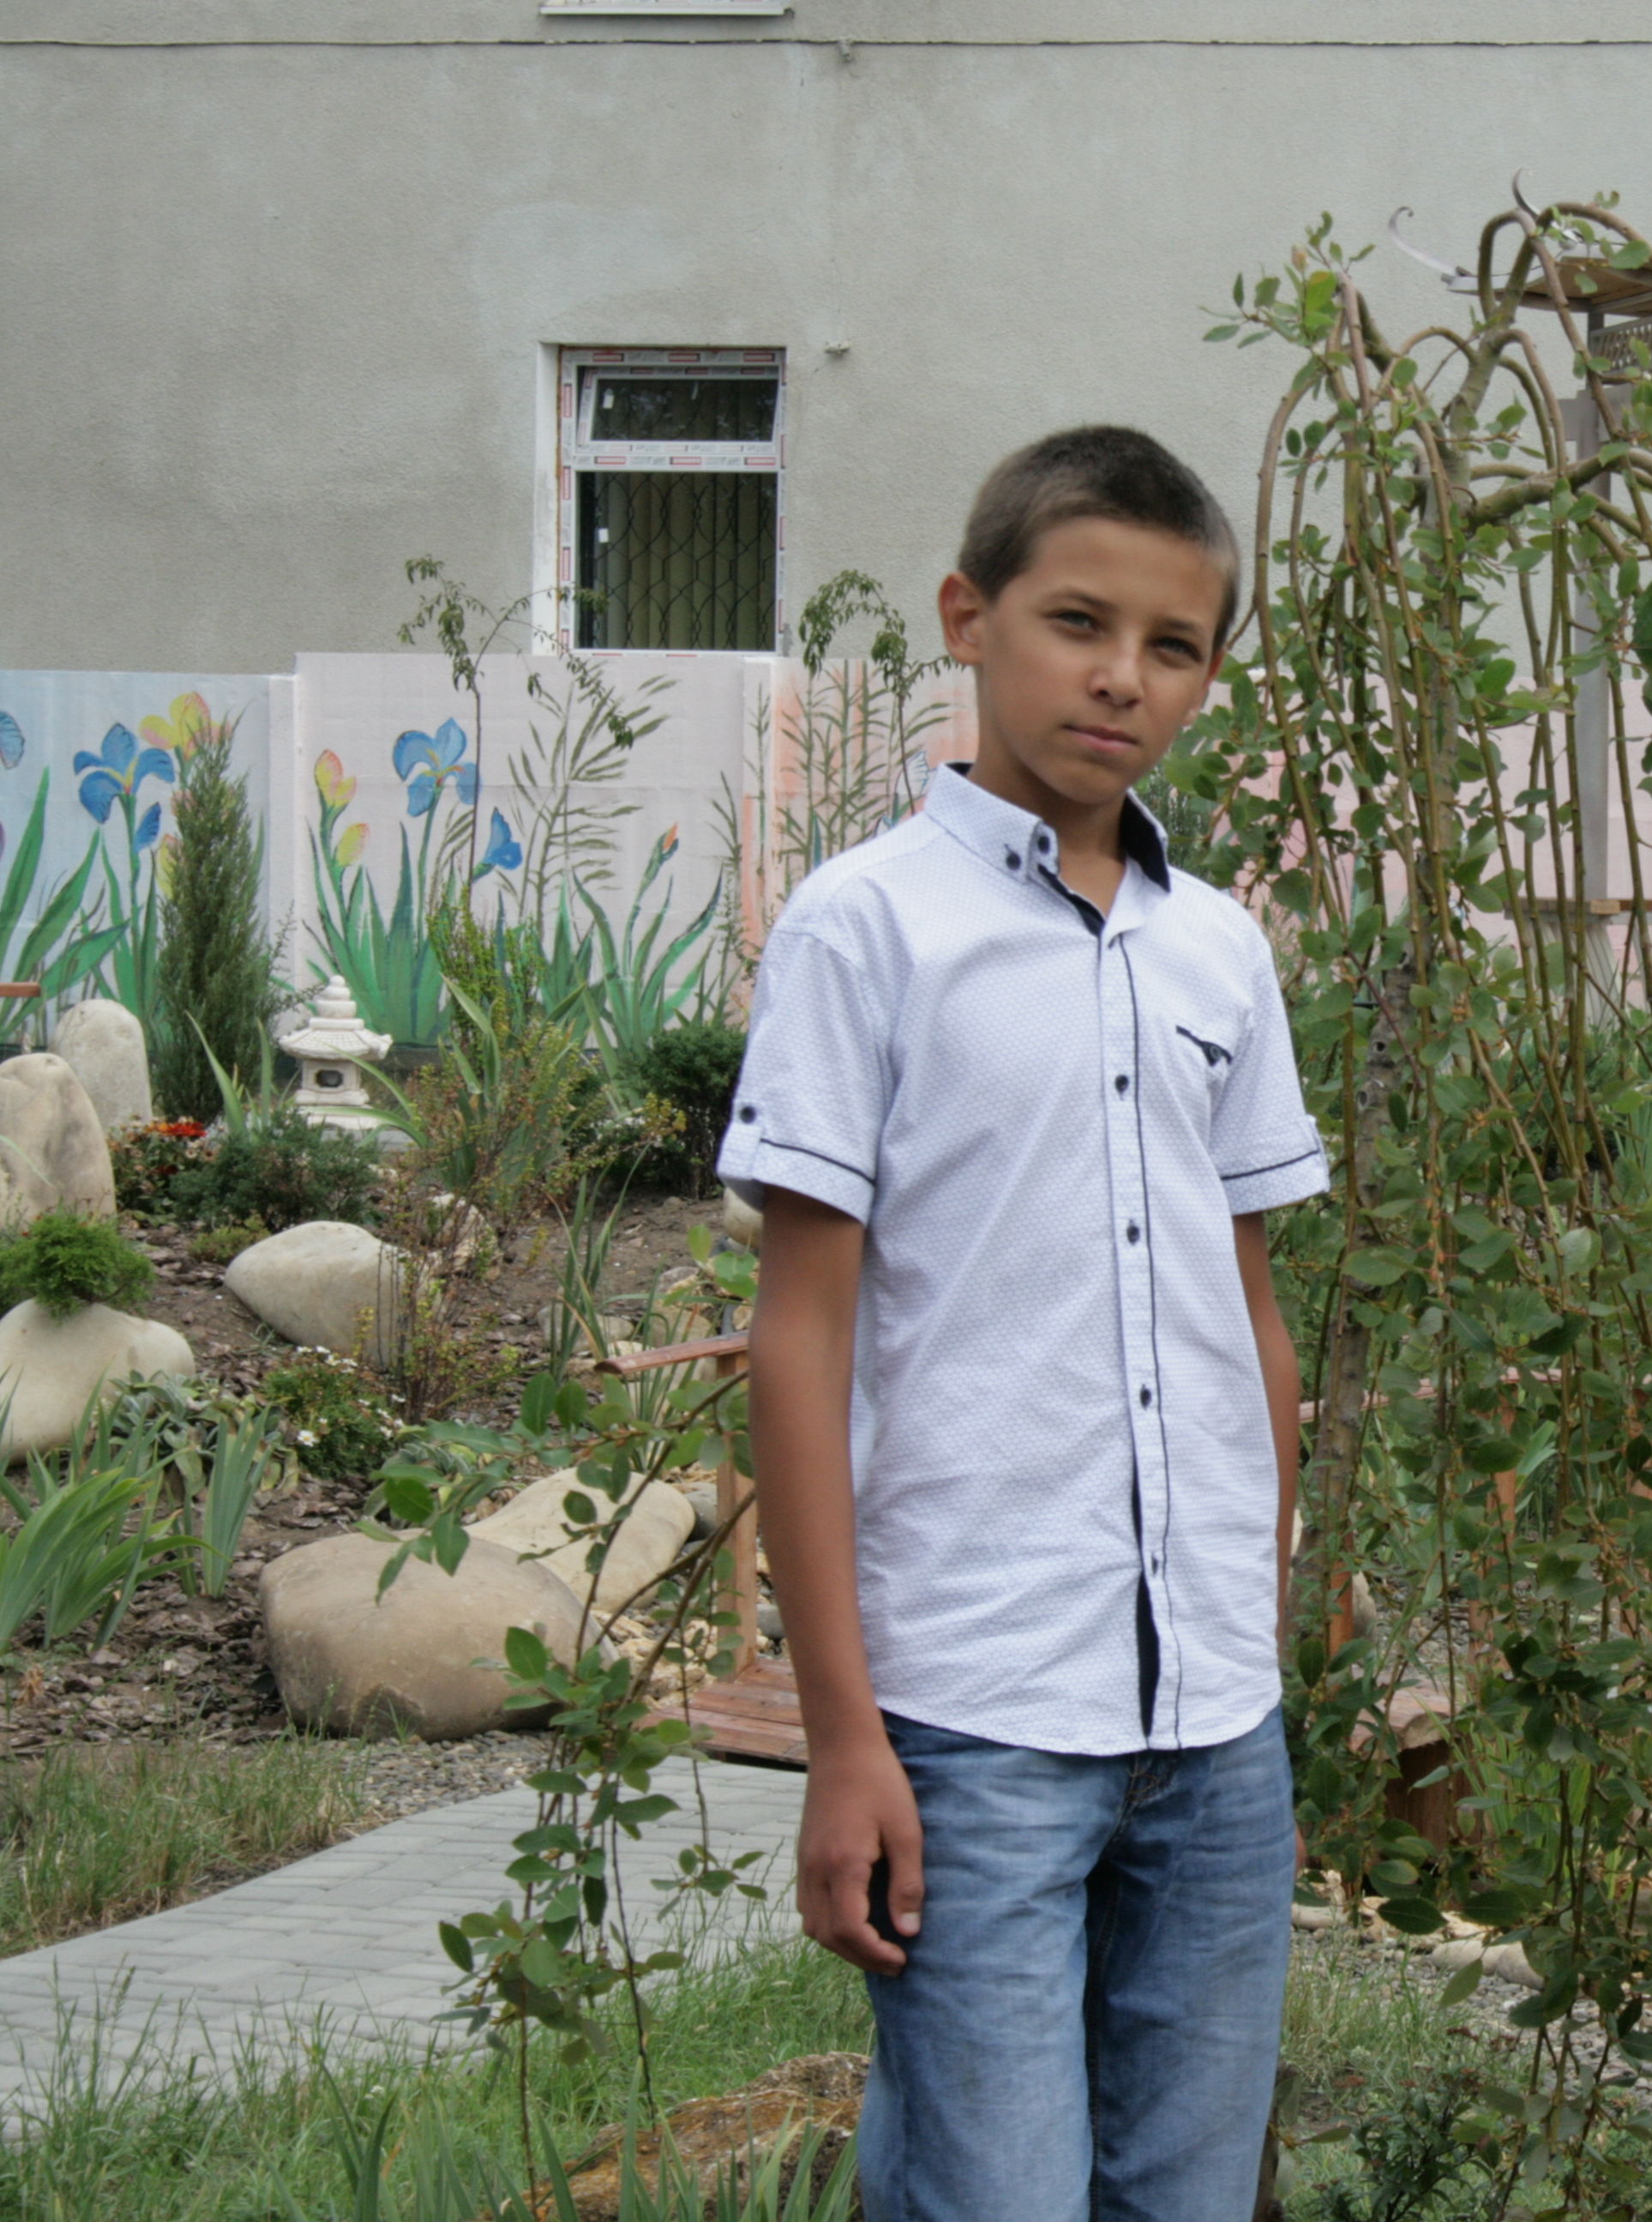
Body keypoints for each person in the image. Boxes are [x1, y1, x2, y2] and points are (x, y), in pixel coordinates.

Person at [725, 425, 1326, 2222]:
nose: (1122, 677)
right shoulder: (865, 933)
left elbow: (1247, 1311)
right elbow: (798, 1340)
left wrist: (1254, 1615)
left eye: (1174, 646)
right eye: (1079, 622)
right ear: (968, 617)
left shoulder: (1219, 950)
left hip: (1214, 1730)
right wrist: (843, 1735)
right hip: (972, 1720)